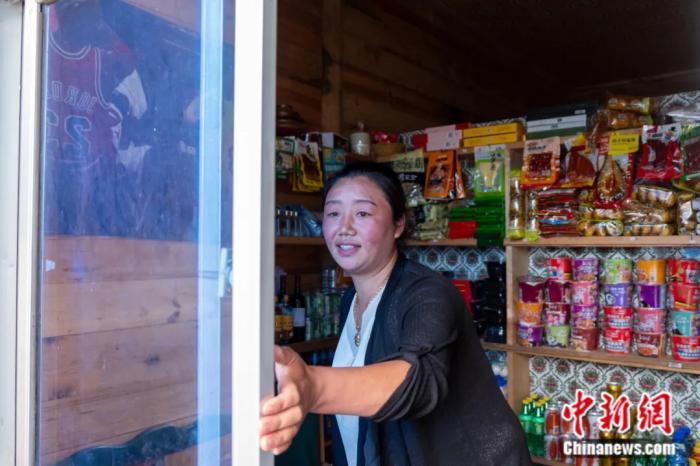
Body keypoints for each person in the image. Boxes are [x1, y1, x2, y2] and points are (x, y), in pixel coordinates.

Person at [260, 162, 531, 465]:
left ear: (398, 224)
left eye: (362, 213)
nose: (344, 227)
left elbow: (419, 379)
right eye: (333, 213)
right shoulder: (350, 299)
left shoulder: (429, 293)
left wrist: (312, 386)